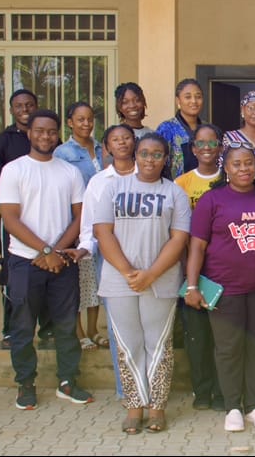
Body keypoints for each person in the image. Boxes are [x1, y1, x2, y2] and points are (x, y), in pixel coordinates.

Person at [186, 140, 255, 433]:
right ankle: (232, 407)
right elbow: (197, 246)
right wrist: (192, 286)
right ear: (226, 168)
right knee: (229, 348)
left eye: (249, 163)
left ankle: (254, 405)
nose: (244, 169)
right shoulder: (212, 200)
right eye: (237, 164)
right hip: (224, 288)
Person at [0, 109, 93, 410]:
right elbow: (10, 219)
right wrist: (44, 251)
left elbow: (80, 217)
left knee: (65, 325)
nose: (45, 136)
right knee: (23, 326)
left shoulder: (69, 171)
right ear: (29, 133)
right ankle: (25, 384)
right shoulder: (14, 170)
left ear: (57, 134)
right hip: (25, 261)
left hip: (61, 261)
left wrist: (56, 252)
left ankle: (67, 381)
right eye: (39, 130)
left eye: (51, 131)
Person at [94, 133, 191, 434]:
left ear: (165, 158)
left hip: (160, 280)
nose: (150, 159)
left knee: (158, 344)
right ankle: (135, 407)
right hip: (119, 280)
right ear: (136, 155)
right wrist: (127, 271)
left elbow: (179, 239)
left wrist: (150, 273)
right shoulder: (113, 188)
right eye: (145, 153)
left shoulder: (175, 193)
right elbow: (103, 232)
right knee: (128, 344)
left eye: (157, 154)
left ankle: (157, 407)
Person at [62, 124, 139, 401]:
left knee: (145, 327)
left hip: (146, 259)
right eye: (115, 139)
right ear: (106, 147)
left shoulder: (149, 176)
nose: (122, 143)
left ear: (135, 142)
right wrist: (83, 249)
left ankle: (149, 386)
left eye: (127, 138)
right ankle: (125, 390)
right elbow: (89, 225)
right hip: (109, 261)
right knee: (120, 329)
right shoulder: (98, 182)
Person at [0, 89, 53, 350]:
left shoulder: (49, 139)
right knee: (12, 274)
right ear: (12, 109)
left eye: (29, 104)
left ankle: (48, 329)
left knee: (50, 270)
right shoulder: (1, 141)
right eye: (19, 105)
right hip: (14, 218)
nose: (24, 109)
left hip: (47, 219)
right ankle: (10, 330)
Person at [175, 124, 225, 412]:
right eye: (201, 144)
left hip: (222, 268)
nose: (207, 149)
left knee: (222, 335)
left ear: (219, 148)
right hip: (191, 267)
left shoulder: (229, 178)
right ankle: (202, 390)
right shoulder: (181, 183)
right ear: (193, 149)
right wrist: (187, 273)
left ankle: (221, 390)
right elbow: (179, 231)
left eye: (212, 143)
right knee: (197, 336)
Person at [54, 101, 107, 352]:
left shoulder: (101, 148)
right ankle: (79, 331)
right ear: (70, 122)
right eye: (80, 119)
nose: (86, 124)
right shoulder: (63, 153)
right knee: (76, 281)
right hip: (76, 223)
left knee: (94, 280)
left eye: (90, 119)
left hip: (100, 223)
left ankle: (95, 329)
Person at [156, 78, 204, 178]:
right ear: (178, 100)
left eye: (198, 97)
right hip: (174, 189)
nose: (194, 101)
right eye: (188, 97)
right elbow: (157, 162)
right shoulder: (166, 129)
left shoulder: (207, 129)